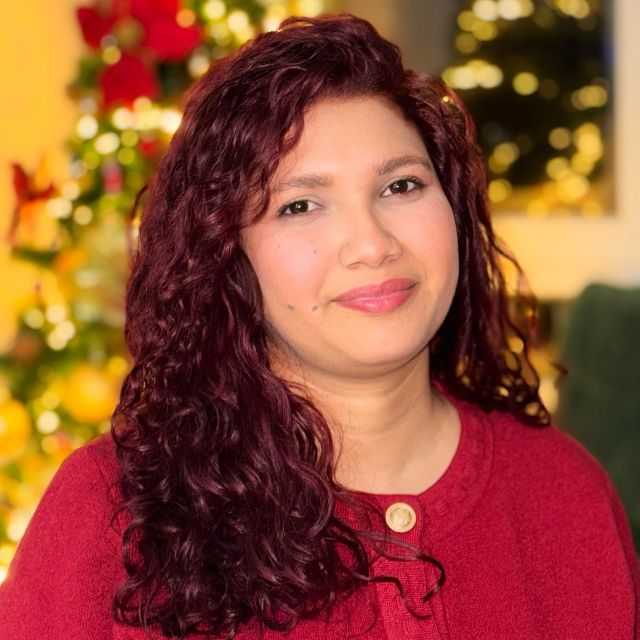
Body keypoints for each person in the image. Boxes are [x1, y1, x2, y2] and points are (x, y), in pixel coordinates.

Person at [0, 12, 637, 640]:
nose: (372, 244)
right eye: (300, 205)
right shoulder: (112, 513)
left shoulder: (568, 494)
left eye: (401, 186)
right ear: (227, 253)